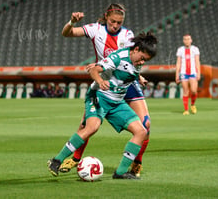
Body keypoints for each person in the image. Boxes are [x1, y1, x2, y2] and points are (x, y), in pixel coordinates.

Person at [47, 32, 158, 180]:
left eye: (146, 61)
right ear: (136, 49)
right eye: (142, 58)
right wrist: (100, 81)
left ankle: (120, 172)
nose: (142, 62)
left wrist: (140, 77)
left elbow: (131, 70)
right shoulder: (118, 56)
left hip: (117, 102)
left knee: (141, 131)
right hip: (98, 96)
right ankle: (56, 161)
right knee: (92, 127)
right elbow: (94, 70)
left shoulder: (136, 61)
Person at [175, 34, 201, 115]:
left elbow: (197, 62)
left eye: (188, 39)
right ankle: (186, 110)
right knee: (185, 91)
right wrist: (177, 75)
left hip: (193, 72)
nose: (187, 41)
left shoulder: (195, 49)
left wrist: (199, 73)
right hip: (183, 73)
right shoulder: (180, 50)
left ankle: (192, 104)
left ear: (191, 40)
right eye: (185, 39)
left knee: (193, 91)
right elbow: (178, 63)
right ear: (183, 41)